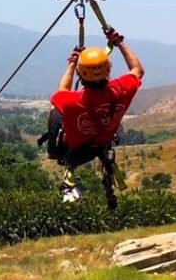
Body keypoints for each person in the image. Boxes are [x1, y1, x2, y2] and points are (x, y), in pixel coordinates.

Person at [41, 28, 144, 208]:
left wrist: (73, 62)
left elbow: (61, 91)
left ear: (81, 74)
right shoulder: (123, 90)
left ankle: (52, 149)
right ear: (108, 69)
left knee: (54, 111)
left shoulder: (72, 102)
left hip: (74, 149)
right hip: (102, 143)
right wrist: (118, 41)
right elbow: (137, 69)